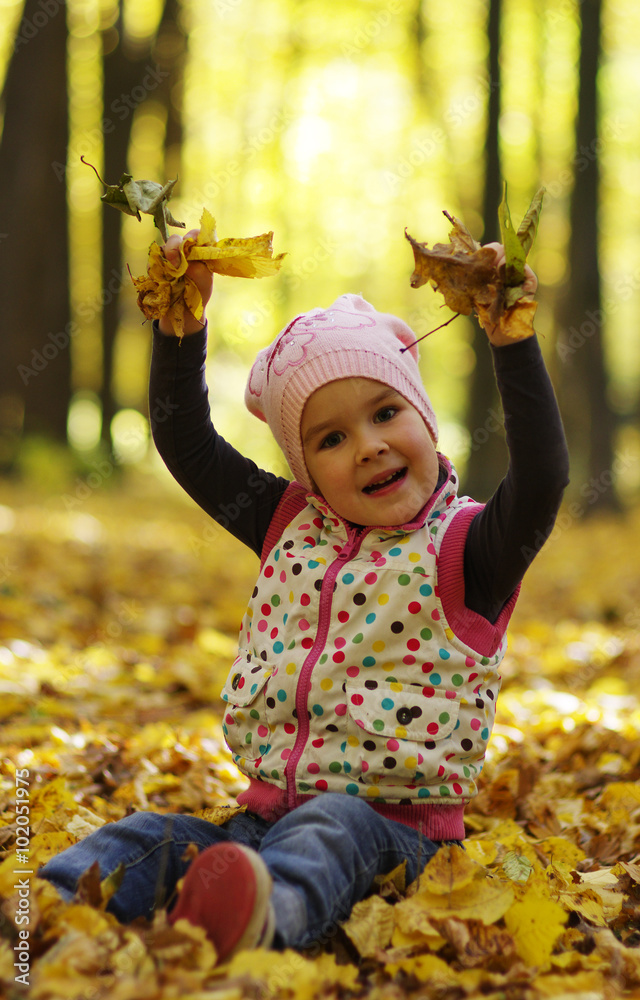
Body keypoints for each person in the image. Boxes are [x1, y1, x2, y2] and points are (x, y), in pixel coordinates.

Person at [40, 229, 569, 962]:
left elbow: (542, 482)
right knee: (147, 838)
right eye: (330, 439)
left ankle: (265, 919)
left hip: (392, 837)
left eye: (386, 413)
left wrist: (512, 344)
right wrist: (181, 331)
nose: (368, 446)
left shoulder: (467, 549)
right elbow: (188, 444)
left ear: (424, 417)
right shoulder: (289, 523)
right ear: (307, 471)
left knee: (331, 830)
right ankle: (41, 914)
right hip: (260, 825)